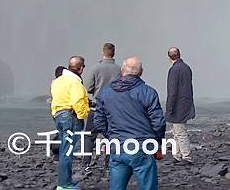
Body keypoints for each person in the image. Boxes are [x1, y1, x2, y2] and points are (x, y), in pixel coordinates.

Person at [93, 57, 167, 190]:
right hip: (142, 147)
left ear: (122, 71)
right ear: (141, 72)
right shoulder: (148, 92)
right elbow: (159, 123)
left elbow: (98, 122)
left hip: (118, 146)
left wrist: (111, 136)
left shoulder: (105, 93)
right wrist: (156, 142)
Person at [50, 54, 88, 190]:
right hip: (70, 117)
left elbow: (55, 100)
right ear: (81, 68)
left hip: (59, 116)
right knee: (68, 151)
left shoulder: (59, 81)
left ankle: (65, 182)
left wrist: (55, 114)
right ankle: (64, 184)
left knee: (64, 150)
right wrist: (83, 114)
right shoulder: (75, 82)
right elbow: (77, 101)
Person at [85, 43, 123, 171]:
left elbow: (88, 88)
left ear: (103, 52)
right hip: (113, 109)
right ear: (114, 53)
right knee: (111, 135)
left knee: (90, 136)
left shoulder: (95, 68)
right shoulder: (119, 70)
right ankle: (108, 163)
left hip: (97, 107)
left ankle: (86, 163)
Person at [164, 48, 194, 162]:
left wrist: (169, 108)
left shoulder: (174, 70)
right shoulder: (186, 68)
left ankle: (186, 156)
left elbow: (172, 92)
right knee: (176, 131)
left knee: (180, 132)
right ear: (179, 55)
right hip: (186, 103)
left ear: (169, 57)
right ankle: (177, 155)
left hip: (178, 106)